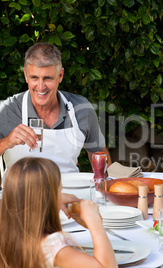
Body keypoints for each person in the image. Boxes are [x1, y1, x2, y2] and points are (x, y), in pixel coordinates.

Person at [0, 42, 111, 176]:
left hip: (70, 194)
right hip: (20, 194)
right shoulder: (7, 110)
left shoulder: (81, 109)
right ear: (25, 75)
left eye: (47, 78)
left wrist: (105, 187)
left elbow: (98, 154)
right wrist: (7, 142)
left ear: (60, 75)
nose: (41, 87)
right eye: (34, 77)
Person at [0, 157, 117, 268]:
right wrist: (94, 222)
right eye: (59, 190)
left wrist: (56, 198)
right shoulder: (50, 245)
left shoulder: (8, 230)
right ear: (48, 199)